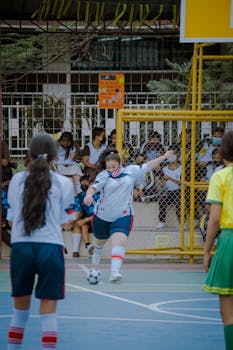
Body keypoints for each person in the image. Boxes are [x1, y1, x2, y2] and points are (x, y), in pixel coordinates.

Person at [6, 133, 75, 349]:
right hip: (51, 248)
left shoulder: (16, 180)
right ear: (55, 156)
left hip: (21, 248)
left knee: (19, 315)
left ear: (29, 155)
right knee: (48, 315)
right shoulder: (64, 183)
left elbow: (10, 219)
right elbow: (68, 220)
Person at [84, 147, 174, 282]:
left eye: (114, 166)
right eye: (109, 167)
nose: (111, 170)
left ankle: (114, 273)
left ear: (120, 164)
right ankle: (95, 265)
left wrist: (164, 156)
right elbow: (93, 187)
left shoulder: (131, 172)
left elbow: (148, 165)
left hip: (123, 215)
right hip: (102, 216)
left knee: (119, 242)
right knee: (98, 244)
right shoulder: (103, 175)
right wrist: (89, 195)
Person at [203, 130, 233, 350]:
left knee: (228, 304)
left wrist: (206, 251)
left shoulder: (221, 177)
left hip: (229, 241)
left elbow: (213, 219)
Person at [64, 175, 95, 258]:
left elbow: (101, 214)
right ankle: (76, 251)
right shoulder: (79, 196)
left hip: (97, 221)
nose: (84, 184)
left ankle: (92, 248)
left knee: (82, 224)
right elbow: (76, 212)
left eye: (86, 182)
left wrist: (86, 219)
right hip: (86, 222)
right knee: (79, 225)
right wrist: (69, 222)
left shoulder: (98, 195)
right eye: (82, 183)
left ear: (92, 183)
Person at [156, 145, 182, 229]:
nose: (172, 156)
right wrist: (163, 182)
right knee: (162, 200)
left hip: (179, 191)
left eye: (174, 153)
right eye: (170, 154)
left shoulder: (182, 168)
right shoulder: (164, 169)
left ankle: (182, 222)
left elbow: (182, 184)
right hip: (168, 192)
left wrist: (170, 178)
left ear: (178, 154)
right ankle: (162, 221)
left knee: (179, 202)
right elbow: (163, 184)